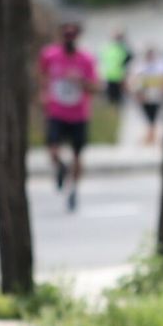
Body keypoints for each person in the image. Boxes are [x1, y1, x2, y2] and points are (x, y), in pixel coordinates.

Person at [39, 21, 99, 212]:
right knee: (53, 150)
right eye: (66, 34)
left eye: (73, 35)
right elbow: (41, 76)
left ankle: (73, 189)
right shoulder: (50, 55)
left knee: (77, 155)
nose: (69, 38)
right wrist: (43, 94)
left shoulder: (86, 60)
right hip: (56, 111)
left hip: (79, 114)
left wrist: (80, 80)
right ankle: (61, 169)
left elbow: (96, 87)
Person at [133, 45, 163, 146]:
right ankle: (150, 136)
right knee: (148, 117)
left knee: (154, 116)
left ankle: (151, 136)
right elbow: (136, 81)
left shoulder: (161, 65)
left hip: (157, 96)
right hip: (145, 96)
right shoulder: (140, 66)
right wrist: (138, 94)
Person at [98, 30, 133, 106]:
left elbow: (128, 62)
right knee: (111, 101)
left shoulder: (124, 48)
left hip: (120, 78)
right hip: (109, 78)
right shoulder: (108, 47)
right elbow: (102, 62)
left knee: (119, 101)